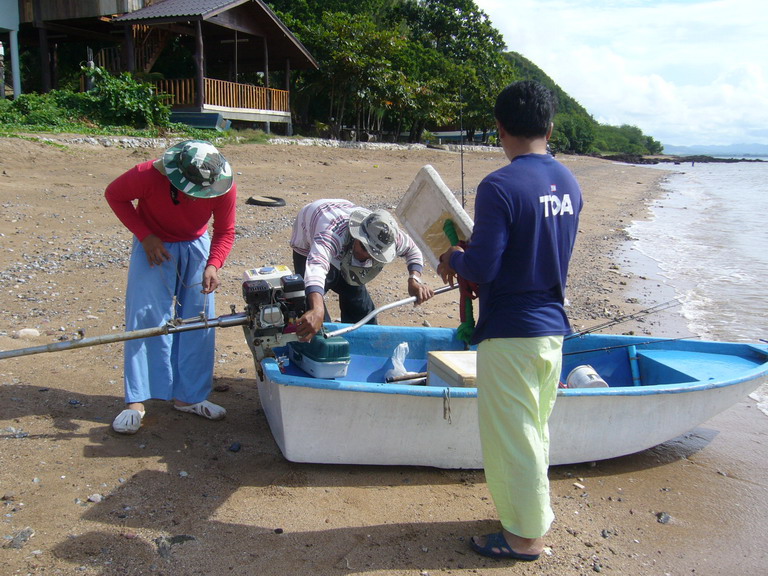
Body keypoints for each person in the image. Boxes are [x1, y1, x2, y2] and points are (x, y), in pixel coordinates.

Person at [437, 81, 582, 561]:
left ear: (500, 128)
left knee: (512, 439)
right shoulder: (570, 183)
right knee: (534, 430)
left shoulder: (499, 186)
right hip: (550, 334)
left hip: (512, 335)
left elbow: (481, 268)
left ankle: (524, 538)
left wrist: (454, 256)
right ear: (550, 126)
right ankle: (533, 518)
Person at [105, 140, 237, 434]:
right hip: (153, 244)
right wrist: (145, 235)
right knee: (145, 317)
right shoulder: (146, 174)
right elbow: (114, 195)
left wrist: (213, 264)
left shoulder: (223, 184)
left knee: (199, 320)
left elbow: (226, 230)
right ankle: (136, 401)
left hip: (196, 246)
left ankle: (189, 397)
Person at [290, 199, 434, 342]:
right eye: (364, 247)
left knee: (361, 309)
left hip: (342, 234)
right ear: (356, 235)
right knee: (313, 313)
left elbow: (413, 250)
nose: (365, 256)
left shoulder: (390, 237)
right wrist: (317, 309)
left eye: (373, 254)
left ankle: (362, 345)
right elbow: (316, 266)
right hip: (310, 232)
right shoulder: (331, 233)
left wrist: (414, 279)